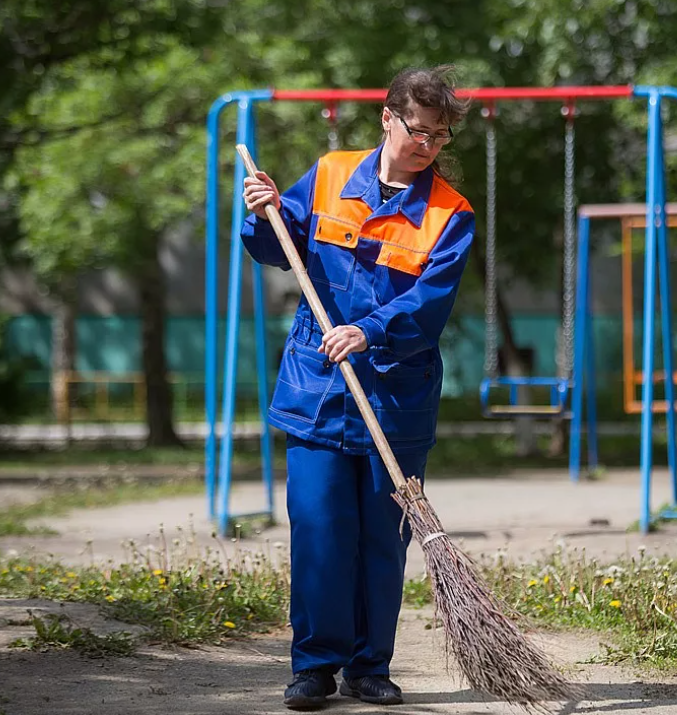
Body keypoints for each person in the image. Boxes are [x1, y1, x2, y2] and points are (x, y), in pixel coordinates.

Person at [240, 65, 474, 711]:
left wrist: (368, 331)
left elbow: (429, 304)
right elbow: (275, 246)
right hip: (317, 390)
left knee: (379, 539)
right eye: (417, 129)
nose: (425, 144)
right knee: (318, 531)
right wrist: (262, 212)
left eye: (440, 135)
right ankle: (314, 667)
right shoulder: (330, 173)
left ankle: (369, 667)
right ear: (386, 116)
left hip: (395, 400)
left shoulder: (449, 214)